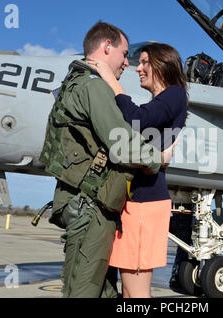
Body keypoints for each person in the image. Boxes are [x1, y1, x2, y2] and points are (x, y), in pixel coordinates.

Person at [39, 22, 174, 298]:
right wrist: (157, 158)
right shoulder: (94, 87)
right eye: (124, 54)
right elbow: (122, 144)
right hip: (90, 208)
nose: (127, 62)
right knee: (85, 291)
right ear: (107, 47)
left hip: (83, 202)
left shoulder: (72, 83)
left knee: (106, 292)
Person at [87, 42, 188, 298]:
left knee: (136, 294)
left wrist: (110, 79)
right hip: (134, 203)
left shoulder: (174, 94)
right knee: (130, 294)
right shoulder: (159, 101)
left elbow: (137, 121)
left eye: (144, 62)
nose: (138, 68)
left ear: (162, 65)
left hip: (146, 203)